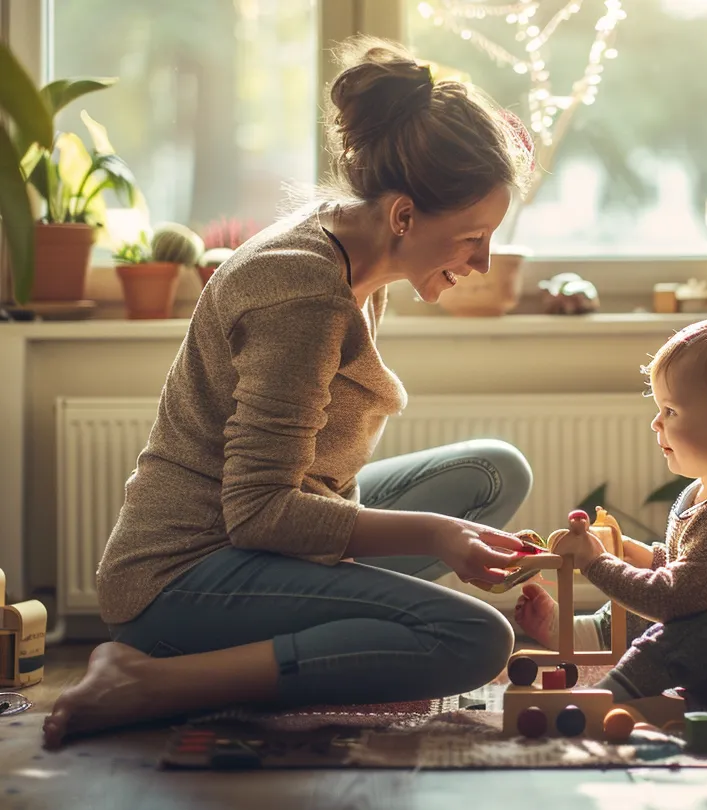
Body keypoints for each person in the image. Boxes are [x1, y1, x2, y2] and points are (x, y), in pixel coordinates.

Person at [43, 37, 537, 749]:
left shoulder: (358, 252)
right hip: (184, 575)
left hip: (274, 539)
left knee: (495, 472)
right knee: (473, 637)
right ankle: (152, 679)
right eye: (472, 237)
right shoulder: (303, 294)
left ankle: (313, 631)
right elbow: (259, 513)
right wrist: (434, 535)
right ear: (403, 216)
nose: (484, 261)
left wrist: (441, 538)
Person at [516, 310, 707, 725]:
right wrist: (634, 554)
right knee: (653, 606)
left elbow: (677, 597)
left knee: (685, 626)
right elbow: (695, 573)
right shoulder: (702, 489)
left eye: (671, 411)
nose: (656, 422)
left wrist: (596, 563)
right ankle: (575, 632)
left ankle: (603, 701)